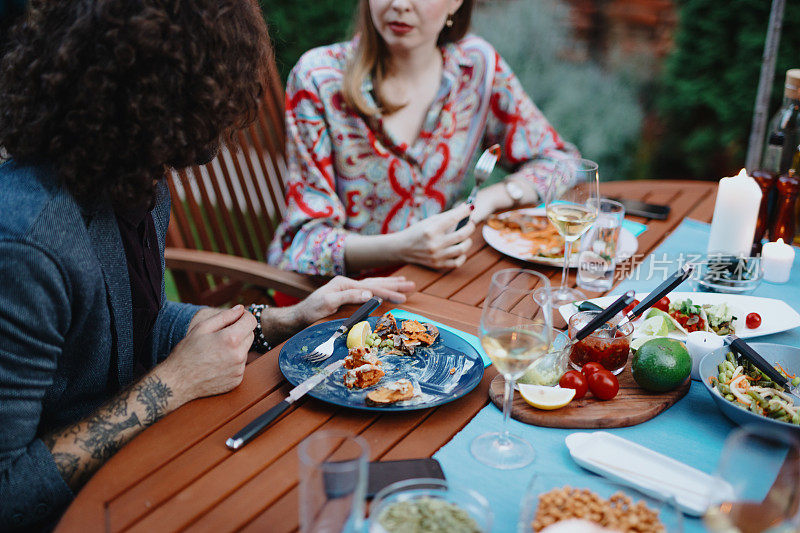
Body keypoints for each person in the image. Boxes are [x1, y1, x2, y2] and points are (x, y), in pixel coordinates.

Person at [0, 1, 414, 530]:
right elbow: (8, 491)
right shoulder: (25, 244)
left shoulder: (133, 176)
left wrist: (281, 320)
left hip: (149, 467)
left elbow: (129, 328)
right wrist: (175, 382)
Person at [267, 0, 579, 277]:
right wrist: (403, 247)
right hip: (333, 295)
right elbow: (305, 243)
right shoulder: (319, 79)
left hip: (432, 280)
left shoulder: (476, 67)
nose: (400, 4)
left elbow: (560, 160)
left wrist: (490, 199)